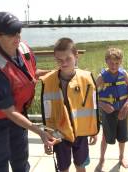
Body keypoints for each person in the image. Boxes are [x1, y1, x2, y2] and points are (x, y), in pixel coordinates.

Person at [0, 12, 57, 172]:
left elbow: (30, 73)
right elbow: (9, 111)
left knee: (20, 159)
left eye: (18, 31)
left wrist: (56, 73)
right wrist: (39, 132)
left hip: (17, 115)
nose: (17, 37)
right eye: (10, 34)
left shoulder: (23, 49)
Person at [40, 37, 99, 172]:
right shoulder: (49, 81)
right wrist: (48, 135)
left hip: (81, 132)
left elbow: (93, 105)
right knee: (63, 167)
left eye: (68, 59)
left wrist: (93, 129)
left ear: (76, 56)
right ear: (55, 58)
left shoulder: (86, 78)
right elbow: (47, 111)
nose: (64, 63)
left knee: (81, 165)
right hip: (59, 134)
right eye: (59, 60)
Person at [95, 47, 128, 171]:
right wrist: (102, 104)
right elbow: (91, 95)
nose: (114, 66)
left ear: (120, 62)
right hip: (107, 111)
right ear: (106, 61)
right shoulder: (102, 76)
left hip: (122, 111)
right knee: (105, 136)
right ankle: (101, 159)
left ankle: (121, 157)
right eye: (111, 62)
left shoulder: (124, 74)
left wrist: (127, 103)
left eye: (117, 63)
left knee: (122, 136)